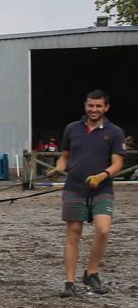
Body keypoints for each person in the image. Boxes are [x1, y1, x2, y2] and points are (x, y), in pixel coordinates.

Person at [49, 89, 125, 297]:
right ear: (85, 105)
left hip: (102, 188)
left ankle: (91, 273)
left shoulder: (115, 132)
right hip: (74, 188)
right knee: (73, 234)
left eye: (98, 106)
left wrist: (101, 176)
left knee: (102, 230)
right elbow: (64, 157)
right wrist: (58, 168)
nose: (94, 109)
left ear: (106, 107)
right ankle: (69, 282)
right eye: (91, 105)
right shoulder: (72, 129)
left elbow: (118, 163)